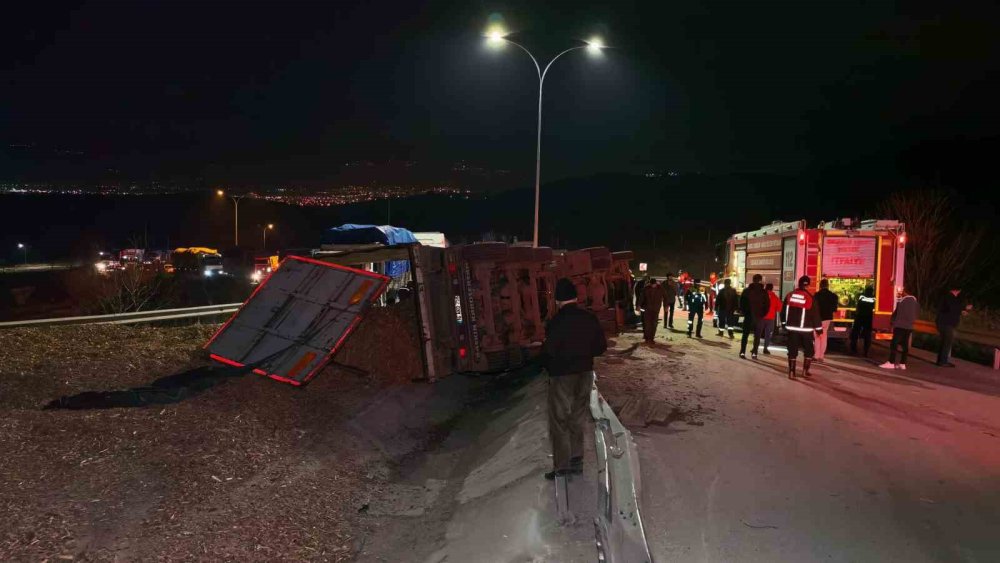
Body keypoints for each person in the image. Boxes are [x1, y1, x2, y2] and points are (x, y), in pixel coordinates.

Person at [540, 278, 607, 480]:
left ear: (558, 300)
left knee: (560, 420)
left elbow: (549, 352)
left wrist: (548, 365)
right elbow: (601, 347)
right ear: (576, 298)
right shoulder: (589, 318)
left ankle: (562, 466)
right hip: (585, 373)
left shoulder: (555, 322)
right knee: (578, 417)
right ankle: (577, 461)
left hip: (561, 376)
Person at [783, 275, 823, 379]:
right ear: (808, 285)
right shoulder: (810, 298)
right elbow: (815, 315)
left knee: (792, 350)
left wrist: (784, 324)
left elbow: (783, 311)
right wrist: (819, 329)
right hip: (806, 329)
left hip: (792, 328)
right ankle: (805, 371)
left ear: (799, 284)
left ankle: (792, 372)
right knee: (809, 350)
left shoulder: (789, 295)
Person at [880, 288, 919, 370]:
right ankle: (902, 363)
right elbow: (916, 313)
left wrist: (892, 322)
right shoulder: (915, 301)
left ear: (905, 292)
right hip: (909, 326)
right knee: (905, 345)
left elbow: (897, 313)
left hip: (900, 325)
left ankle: (891, 362)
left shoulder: (902, 301)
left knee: (894, 344)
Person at [936, 286, 968, 367]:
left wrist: (962, 310)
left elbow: (953, 309)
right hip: (946, 323)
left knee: (944, 342)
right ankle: (943, 361)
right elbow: (952, 309)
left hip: (944, 323)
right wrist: (963, 309)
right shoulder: (950, 298)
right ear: (957, 290)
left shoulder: (947, 297)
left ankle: (941, 360)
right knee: (947, 342)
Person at [740, 274, 770, 359]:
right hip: (759, 318)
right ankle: (754, 353)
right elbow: (767, 305)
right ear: (760, 280)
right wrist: (762, 315)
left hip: (748, 317)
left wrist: (745, 313)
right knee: (757, 336)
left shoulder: (746, 291)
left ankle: (742, 352)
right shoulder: (764, 292)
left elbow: (741, 303)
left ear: (753, 280)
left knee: (745, 335)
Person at [814, 279, 839, 361]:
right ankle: (821, 356)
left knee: (817, 336)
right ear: (828, 286)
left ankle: (816, 355)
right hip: (827, 318)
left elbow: (813, 308)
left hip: (818, 318)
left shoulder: (816, 295)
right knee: (824, 336)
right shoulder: (833, 296)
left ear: (820, 286)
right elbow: (835, 309)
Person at [850, 286, 876, 356]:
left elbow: (857, 304)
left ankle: (853, 349)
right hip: (868, 318)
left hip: (859, 317)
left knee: (855, 333)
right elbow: (873, 307)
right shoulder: (873, 298)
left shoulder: (861, 296)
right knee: (867, 336)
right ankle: (866, 351)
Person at [761, 282, 782, 354]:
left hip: (761, 317)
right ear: (772, 289)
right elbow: (779, 308)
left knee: (758, 332)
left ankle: (755, 348)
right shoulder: (775, 297)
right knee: (768, 334)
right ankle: (765, 348)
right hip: (770, 318)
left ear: (765, 288)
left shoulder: (762, 295)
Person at [642, 278, 664, 344]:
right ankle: (647, 338)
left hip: (656, 309)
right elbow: (641, 297)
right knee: (647, 324)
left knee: (654, 324)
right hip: (647, 308)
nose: (653, 286)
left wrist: (666, 305)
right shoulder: (646, 288)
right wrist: (639, 305)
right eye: (652, 284)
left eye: (654, 284)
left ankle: (651, 338)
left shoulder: (660, 289)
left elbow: (665, 296)